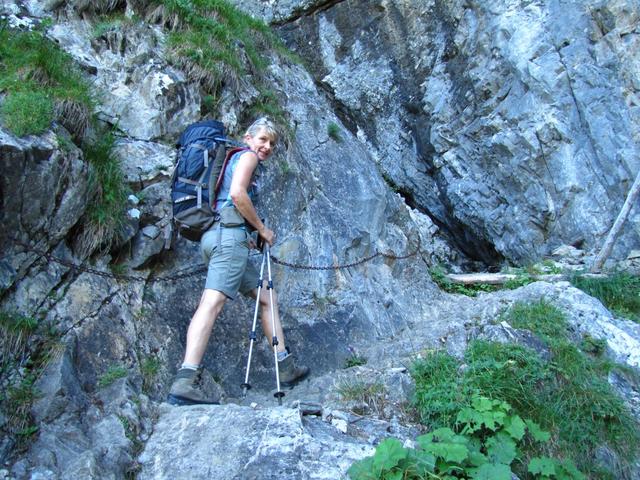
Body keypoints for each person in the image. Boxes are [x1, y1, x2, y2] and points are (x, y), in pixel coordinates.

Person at [167, 117, 309, 406]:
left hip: (216, 237)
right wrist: (262, 229)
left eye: (272, 143)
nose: (267, 146)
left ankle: (285, 365)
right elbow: (237, 194)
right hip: (229, 240)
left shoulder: (232, 158)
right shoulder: (246, 157)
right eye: (262, 140)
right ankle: (185, 380)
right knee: (212, 302)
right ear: (248, 138)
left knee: (267, 297)